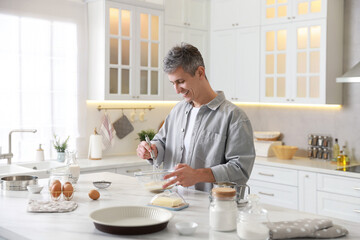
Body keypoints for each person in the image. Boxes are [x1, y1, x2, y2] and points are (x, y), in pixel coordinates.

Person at [136, 43, 255, 192]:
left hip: (211, 207)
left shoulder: (234, 117)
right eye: (173, 83)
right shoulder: (177, 110)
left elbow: (240, 169)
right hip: (171, 199)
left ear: (200, 72)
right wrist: (152, 150)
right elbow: (161, 142)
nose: (177, 90)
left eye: (181, 81)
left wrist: (198, 175)